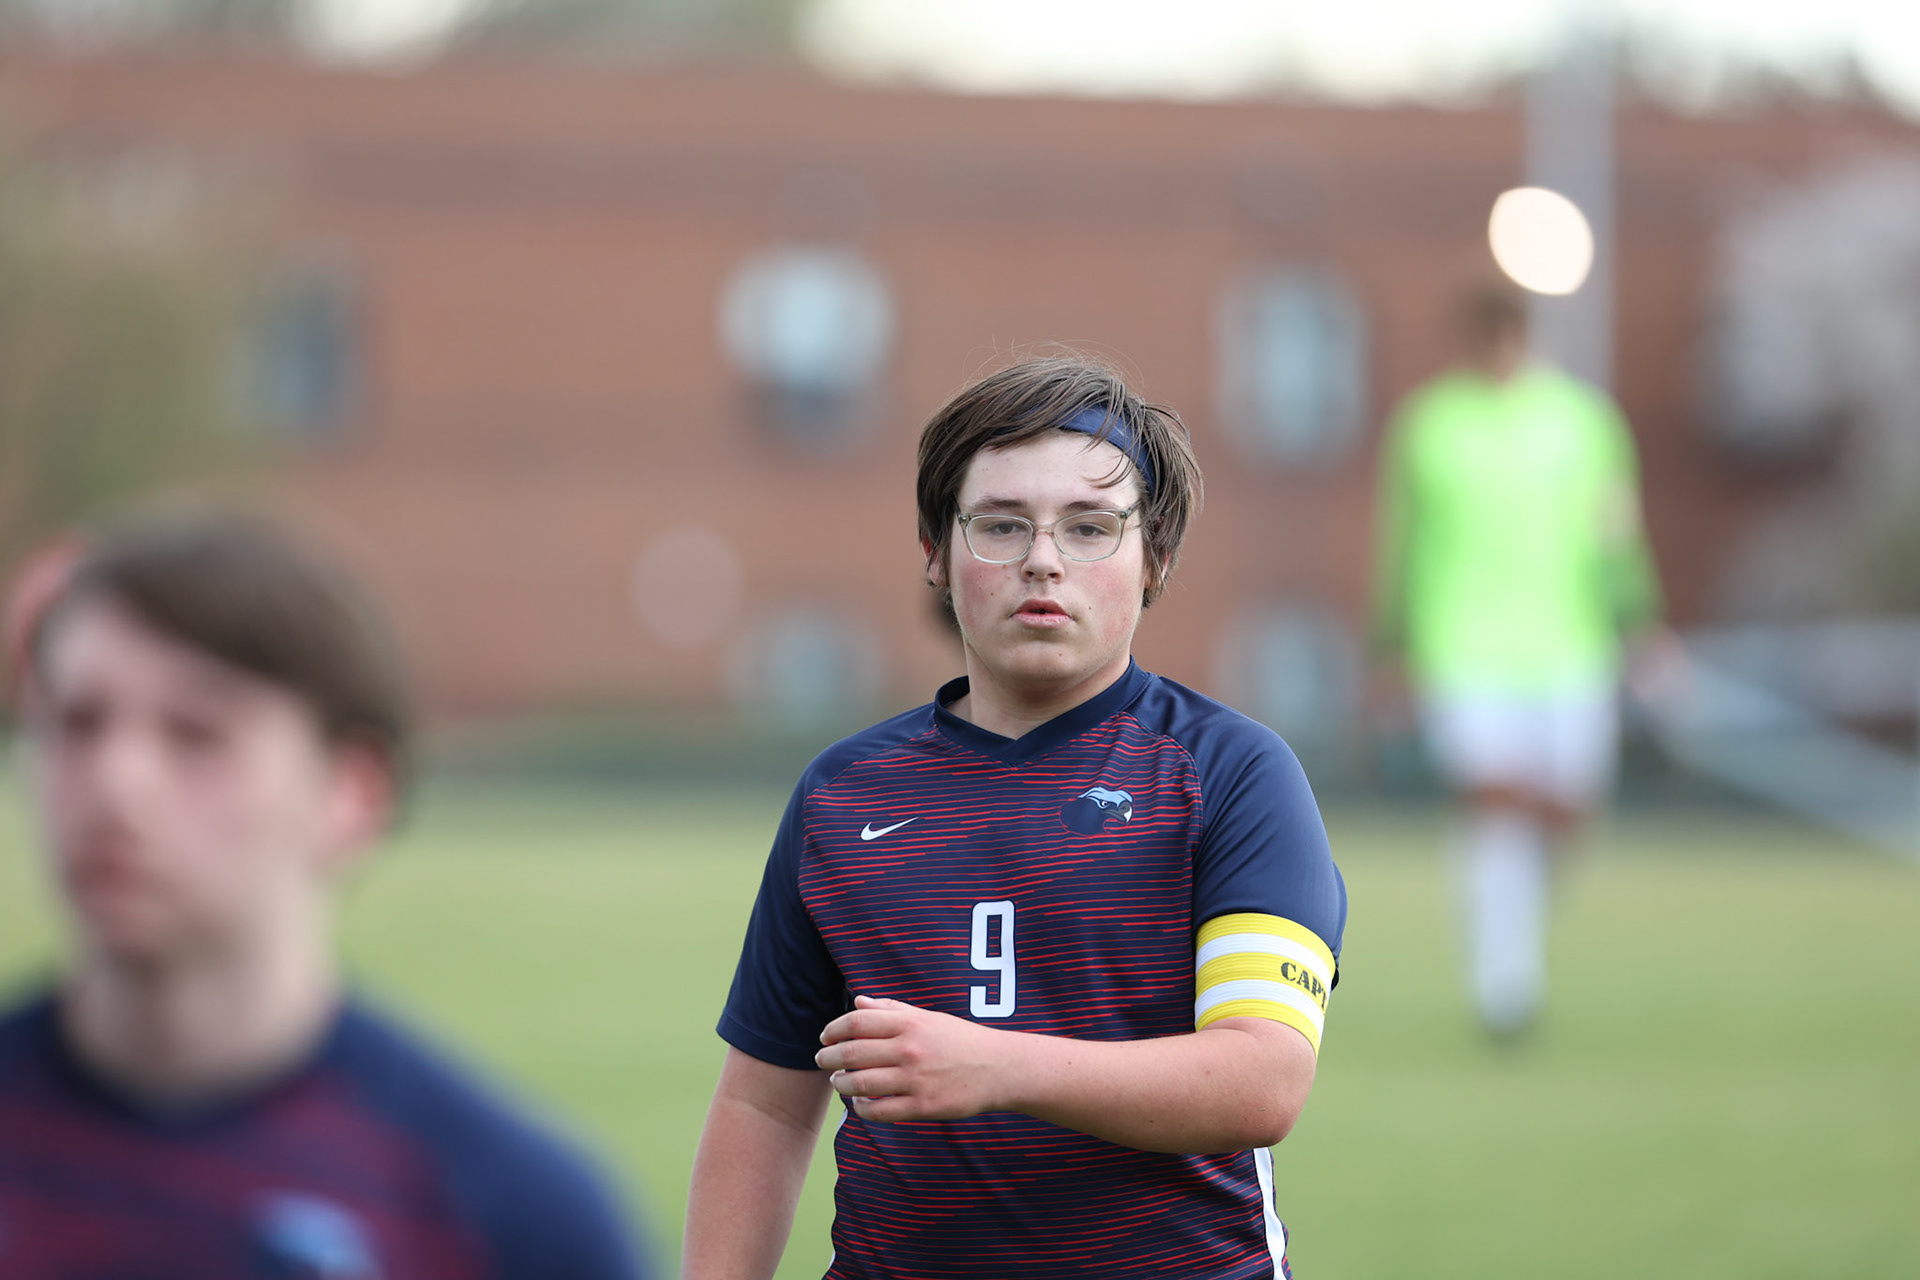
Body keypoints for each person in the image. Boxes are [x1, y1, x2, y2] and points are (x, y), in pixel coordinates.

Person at [685, 357, 1347, 1279]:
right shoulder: (844, 793)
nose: (1043, 558)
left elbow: (1261, 1079)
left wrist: (998, 1068)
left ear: (1154, 558)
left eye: (1089, 527)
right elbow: (764, 1105)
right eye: (1001, 525)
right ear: (934, 551)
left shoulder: (1232, 774)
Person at [0, 513, 655, 1279]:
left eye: (195, 733)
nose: (115, 785)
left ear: (352, 791)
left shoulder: (517, 1216)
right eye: (78, 724)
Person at [1372, 283, 1671, 1038]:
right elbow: (1400, 547)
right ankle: (1505, 989)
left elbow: (1615, 536)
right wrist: (1391, 648)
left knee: (1566, 810)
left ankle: (1512, 943)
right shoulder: (1431, 426)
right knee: (1498, 808)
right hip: (1464, 650)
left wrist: (1641, 625)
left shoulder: (1584, 422)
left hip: (1572, 649)